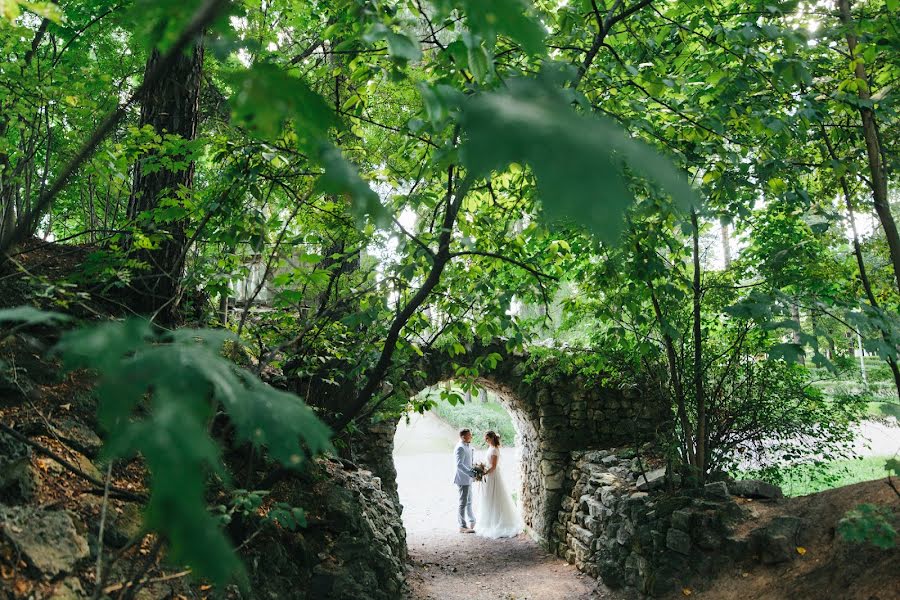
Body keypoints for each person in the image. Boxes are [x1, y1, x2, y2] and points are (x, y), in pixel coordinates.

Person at [474, 430, 522, 538]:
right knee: (488, 497)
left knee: (494, 497)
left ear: (491, 438)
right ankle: (488, 521)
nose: (485, 440)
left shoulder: (495, 450)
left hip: (493, 476)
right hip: (489, 476)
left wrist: (483, 473)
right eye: (485, 438)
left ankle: (498, 522)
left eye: (487, 438)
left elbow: (493, 466)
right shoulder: (491, 448)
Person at [453, 428, 477, 533]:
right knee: (463, 502)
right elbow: (459, 464)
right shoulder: (460, 448)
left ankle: (472, 521)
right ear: (463, 436)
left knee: (469, 501)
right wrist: (471, 473)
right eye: (469, 435)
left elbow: (469, 462)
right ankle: (462, 526)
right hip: (462, 479)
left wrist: (474, 472)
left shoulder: (468, 446)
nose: (471, 436)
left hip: (468, 479)